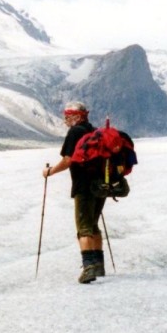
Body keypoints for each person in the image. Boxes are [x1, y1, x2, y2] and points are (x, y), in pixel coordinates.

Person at [42, 101, 106, 284]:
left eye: (68, 116)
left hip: (83, 186)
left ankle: (89, 268)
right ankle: (99, 264)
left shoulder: (75, 132)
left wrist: (50, 172)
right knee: (93, 225)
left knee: (83, 227)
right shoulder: (93, 131)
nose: (65, 120)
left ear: (77, 116)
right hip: (100, 185)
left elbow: (68, 160)